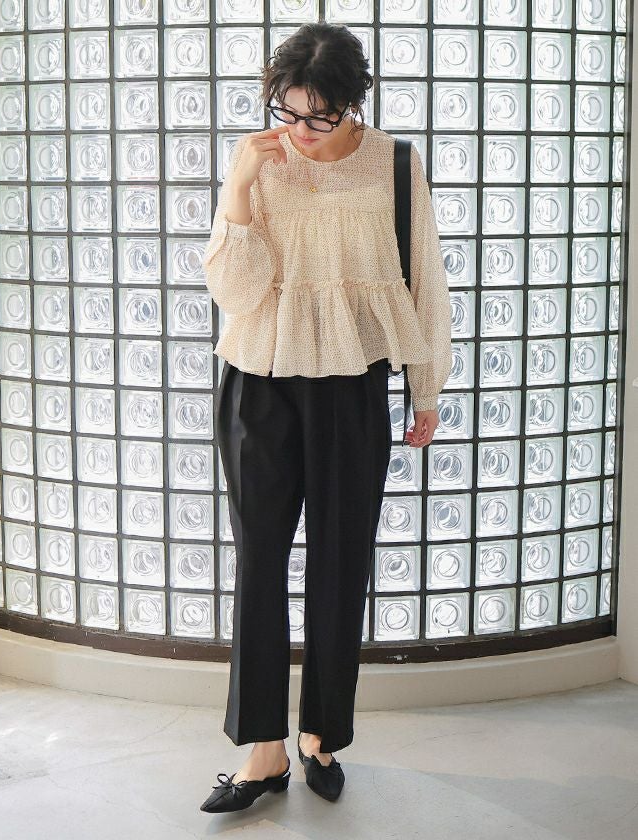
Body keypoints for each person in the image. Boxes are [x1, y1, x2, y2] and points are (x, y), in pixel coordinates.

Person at [199, 22, 452, 813]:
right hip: (259, 379)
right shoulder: (258, 159)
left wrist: (425, 389)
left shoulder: (395, 164)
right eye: (287, 110)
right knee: (259, 563)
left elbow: (424, 278)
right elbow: (235, 292)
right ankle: (263, 750)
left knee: (342, 562)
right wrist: (240, 188)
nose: (300, 130)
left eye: (320, 115)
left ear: (353, 104)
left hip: (351, 384)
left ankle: (321, 736)